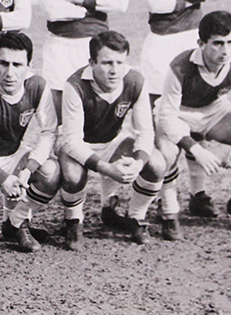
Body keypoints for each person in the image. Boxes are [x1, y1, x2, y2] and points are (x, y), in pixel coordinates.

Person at [156, 11, 231, 236]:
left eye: (230, 42)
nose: (225, 50)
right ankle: (169, 210)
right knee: (167, 153)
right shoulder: (180, 67)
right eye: (217, 43)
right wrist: (196, 149)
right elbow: (166, 116)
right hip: (179, 114)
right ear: (201, 44)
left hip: (214, 110)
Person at [59, 31, 166, 249]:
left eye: (120, 62)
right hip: (78, 145)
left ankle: (136, 217)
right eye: (107, 63)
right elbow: (72, 141)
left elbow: (145, 131)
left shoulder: (135, 81)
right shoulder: (75, 84)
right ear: (92, 63)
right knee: (73, 175)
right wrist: (107, 169)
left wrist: (138, 163)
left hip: (112, 141)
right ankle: (74, 221)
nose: (115, 70)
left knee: (156, 163)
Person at [0, 32, 60, 254]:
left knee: (51, 172)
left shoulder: (37, 86)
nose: (9, 73)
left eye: (17, 65)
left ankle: (16, 222)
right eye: (4, 63)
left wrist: (28, 169)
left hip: (14, 154)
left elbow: (49, 132)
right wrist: (1, 176)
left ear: (29, 65)